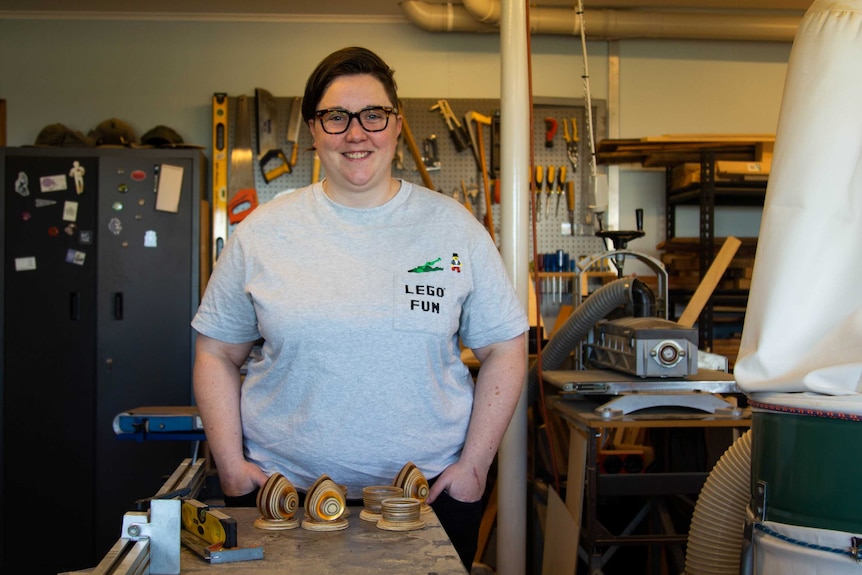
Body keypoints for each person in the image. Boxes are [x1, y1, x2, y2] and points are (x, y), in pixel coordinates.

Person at [191, 46, 528, 570]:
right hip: (282, 500)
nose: (356, 133)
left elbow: (506, 346)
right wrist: (231, 465)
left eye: (373, 115)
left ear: (395, 125)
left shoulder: (454, 228)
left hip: (427, 497)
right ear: (312, 131)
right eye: (336, 117)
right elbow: (215, 352)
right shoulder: (261, 233)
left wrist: (475, 466)